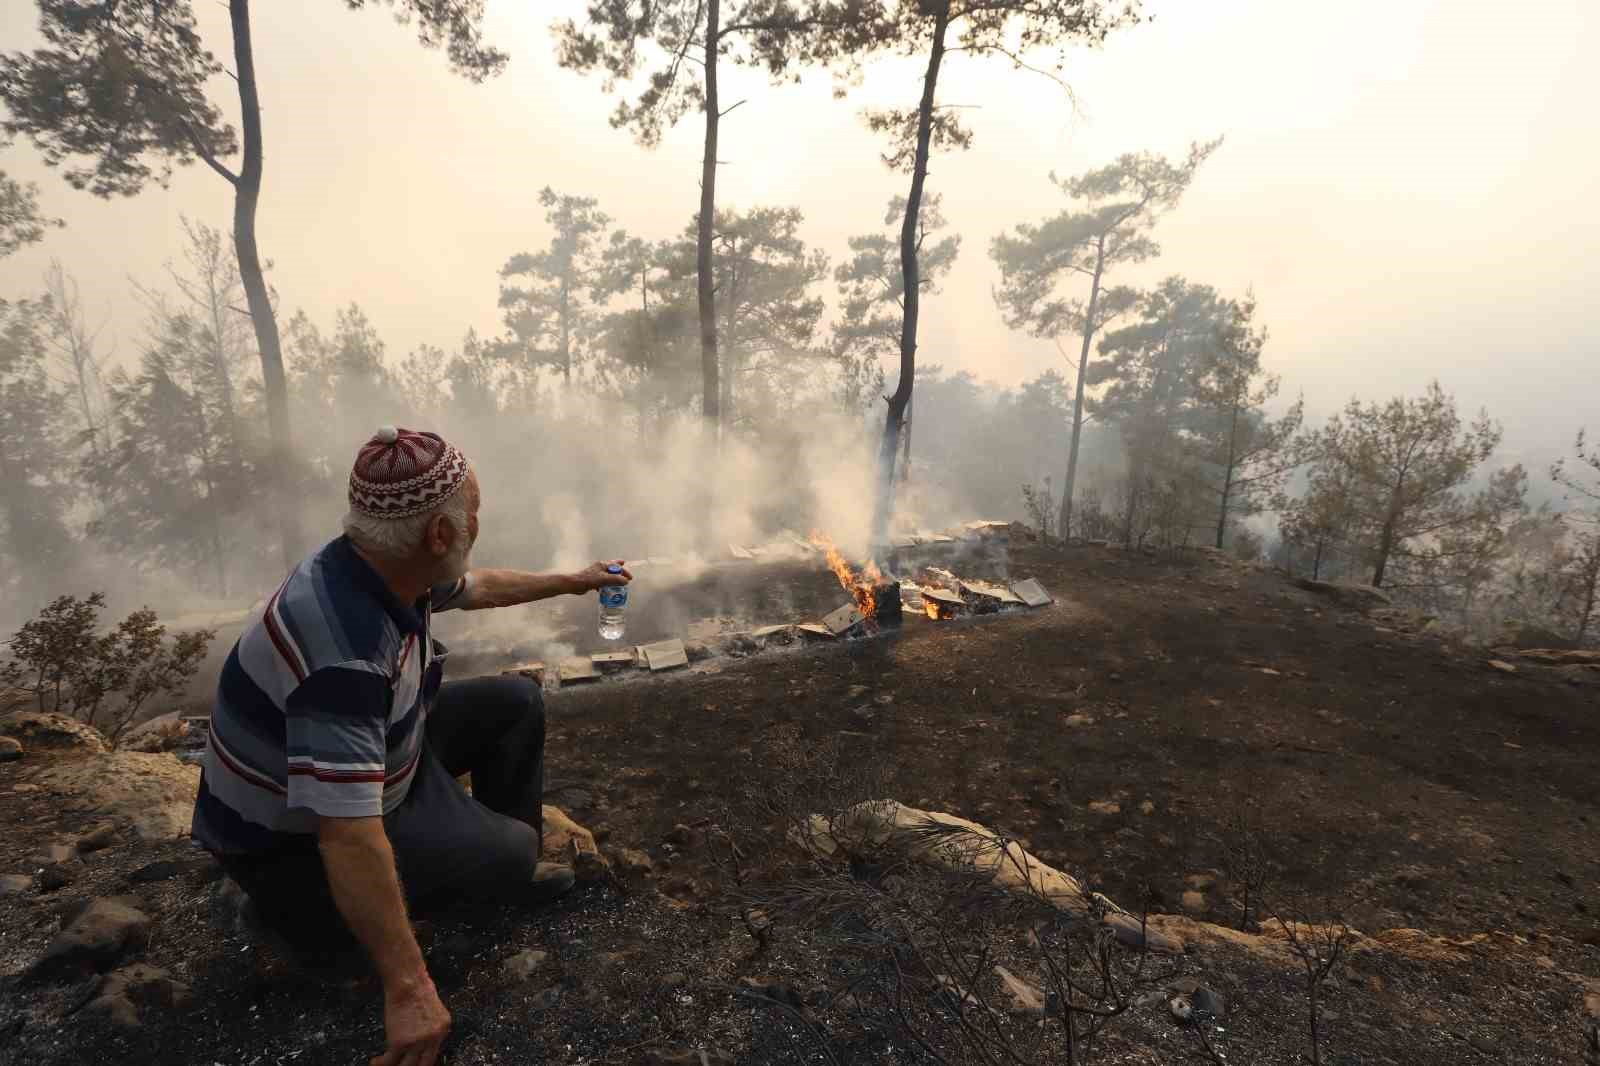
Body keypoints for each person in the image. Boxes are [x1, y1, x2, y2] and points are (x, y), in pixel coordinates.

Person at [190, 426, 630, 1066]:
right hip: (291, 845)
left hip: (384, 757)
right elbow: (346, 832)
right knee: (508, 850)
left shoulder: (379, 563)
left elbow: (478, 587)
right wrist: (410, 990)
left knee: (513, 702)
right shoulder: (343, 653)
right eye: (472, 514)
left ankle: (493, 868)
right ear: (440, 535)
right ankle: (307, 926)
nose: (479, 524)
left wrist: (574, 581)